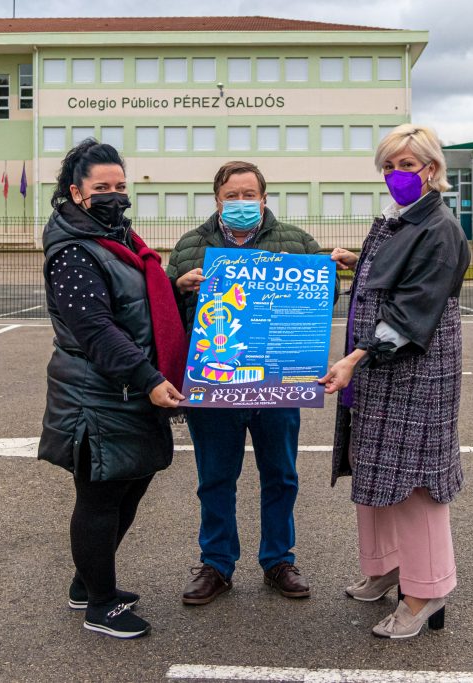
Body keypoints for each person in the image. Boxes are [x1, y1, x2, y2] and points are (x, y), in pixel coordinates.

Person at [320, 124, 470, 639]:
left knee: (416, 484)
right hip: (379, 373)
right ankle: (386, 566)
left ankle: (426, 591)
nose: (397, 175)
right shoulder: (399, 220)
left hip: (414, 371)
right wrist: (356, 262)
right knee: (374, 469)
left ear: (432, 169)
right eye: (389, 165)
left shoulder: (440, 227)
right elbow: (397, 274)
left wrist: (354, 359)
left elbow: (413, 311)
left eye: (408, 165)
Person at [38, 139, 186, 639]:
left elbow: (132, 301)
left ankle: (88, 582)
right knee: (101, 499)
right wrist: (149, 379)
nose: (115, 195)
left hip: (125, 391)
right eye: (102, 188)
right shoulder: (74, 252)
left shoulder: (116, 237)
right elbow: (97, 329)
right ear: (76, 192)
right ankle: (100, 604)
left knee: (130, 487)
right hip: (98, 395)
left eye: (121, 186)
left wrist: (172, 285)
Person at [167, 160, 330, 605]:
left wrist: (332, 269)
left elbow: (322, 296)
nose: (241, 203)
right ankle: (216, 564)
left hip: (277, 385)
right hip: (215, 383)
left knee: (281, 475)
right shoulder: (190, 246)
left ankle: (278, 560)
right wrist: (177, 286)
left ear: (264, 197)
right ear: (217, 199)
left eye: (248, 195)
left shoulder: (296, 242)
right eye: (231, 196)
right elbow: (165, 312)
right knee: (215, 478)